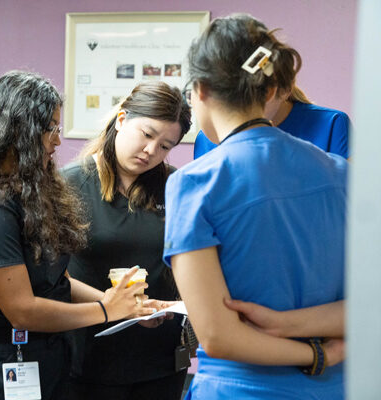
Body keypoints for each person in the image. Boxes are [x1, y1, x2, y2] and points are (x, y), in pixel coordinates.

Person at [0, 70, 156, 400]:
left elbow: (55, 283)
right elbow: (22, 310)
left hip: (36, 353)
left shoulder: (25, 192)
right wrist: (105, 311)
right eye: (51, 129)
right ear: (19, 131)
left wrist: (117, 303)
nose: (57, 140)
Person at [163, 14, 347, 399]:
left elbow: (216, 336)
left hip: (240, 388)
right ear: (269, 90)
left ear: (199, 90)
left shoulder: (195, 183)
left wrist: (316, 355)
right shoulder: (342, 174)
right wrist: (298, 330)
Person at [61, 81, 192, 400]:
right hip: (91, 354)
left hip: (160, 356)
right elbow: (55, 276)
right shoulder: (69, 183)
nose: (151, 151)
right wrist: (116, 307)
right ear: (121, 119)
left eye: (165, 146)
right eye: (147, 134)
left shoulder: (174, 185)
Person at [192, 22, 351, 160]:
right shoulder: (208, 139)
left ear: (283, 90)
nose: (240, 108)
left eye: (253, 94)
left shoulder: (332, 125)